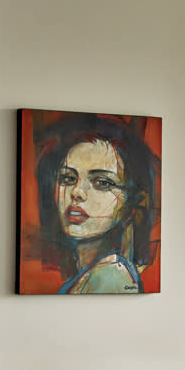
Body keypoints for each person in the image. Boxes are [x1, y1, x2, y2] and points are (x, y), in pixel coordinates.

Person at [32, 113, 159, 294]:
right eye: (68, 178)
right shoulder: (90, 275)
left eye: (102, 182)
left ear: (131, 203)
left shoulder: (112, 276)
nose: (76, 192)